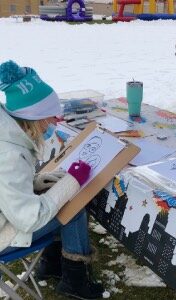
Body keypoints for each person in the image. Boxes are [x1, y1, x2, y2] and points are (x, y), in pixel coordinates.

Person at [0, 60, 109, 299]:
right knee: (73, 207)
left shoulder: (8, 134)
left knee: (59, 194)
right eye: (50, 117)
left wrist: (40, 181)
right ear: (34, 117)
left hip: (7, 217)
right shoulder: (8, 154)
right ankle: (75, 281)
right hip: (5, 234)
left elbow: (8, 188)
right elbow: (30, 218)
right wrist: (72, 182)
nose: (55, 122)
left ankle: (51, 264)